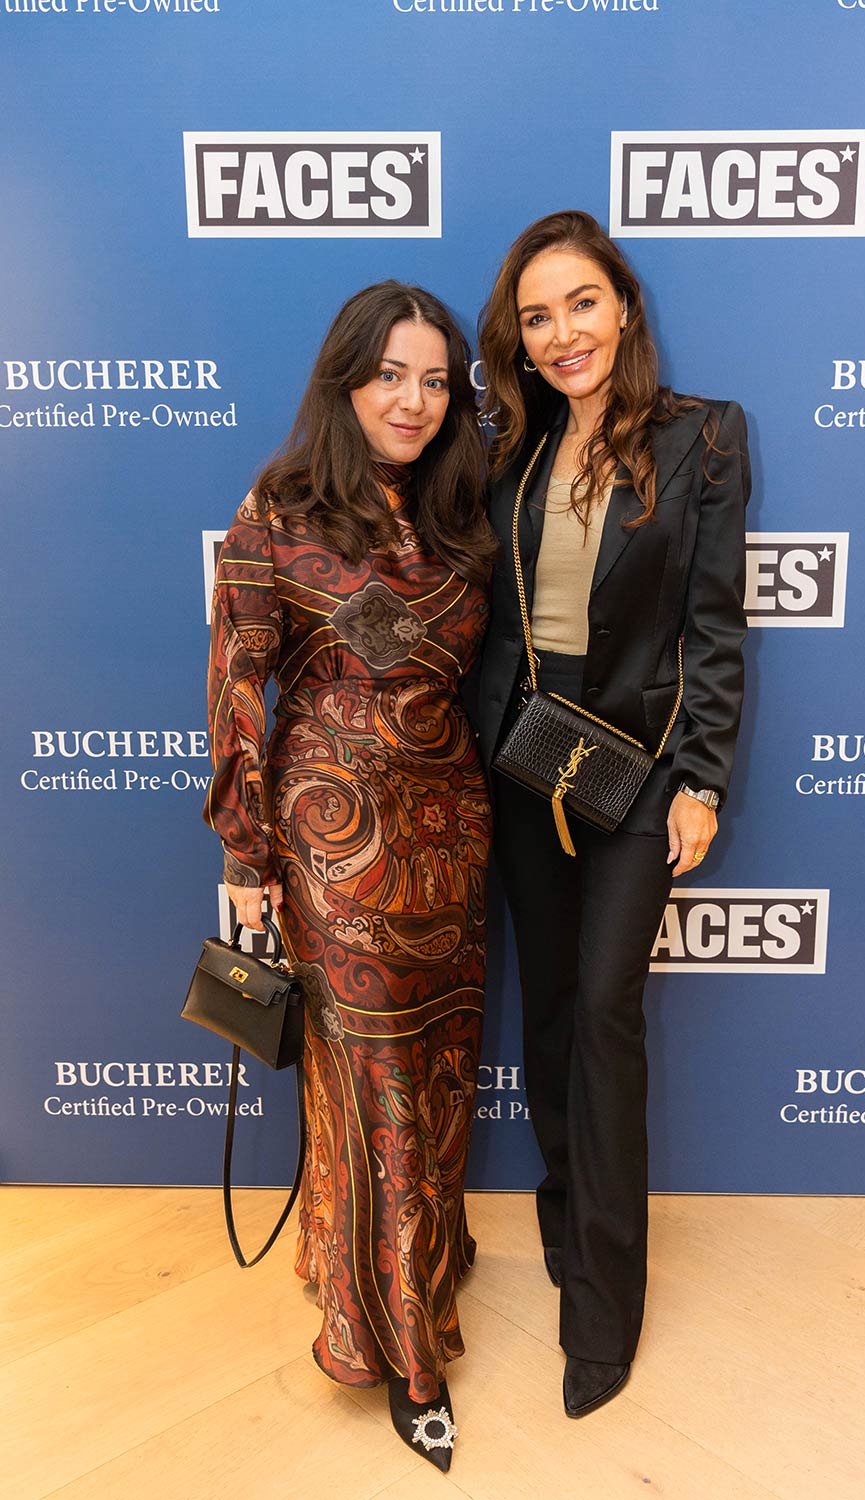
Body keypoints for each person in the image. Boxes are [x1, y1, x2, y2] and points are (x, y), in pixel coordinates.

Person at [204, 281, 494, 1471]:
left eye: (434, 380)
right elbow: (237, 684)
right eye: (389, 375)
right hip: (332, 844)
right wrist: (244, 853)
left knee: (437, 1078)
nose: (413, 401)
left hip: (452, 833)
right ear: (344, 379)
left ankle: (396, 1260)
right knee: (371, 1086)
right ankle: (404, 1357)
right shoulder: (278, 509)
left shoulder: (463, 511)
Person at [477, 211, 751, 1418]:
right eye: (537, 317)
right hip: (522, 763)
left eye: (580, 303)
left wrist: (702, 778)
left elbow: (715, 626)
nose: (562, 333)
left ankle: (604, 1307)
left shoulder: (704, 436)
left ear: (623, 306)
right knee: (546, 1008)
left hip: (637, 772)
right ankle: (562, 1213)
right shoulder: (508, 451)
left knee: (602, 1008)